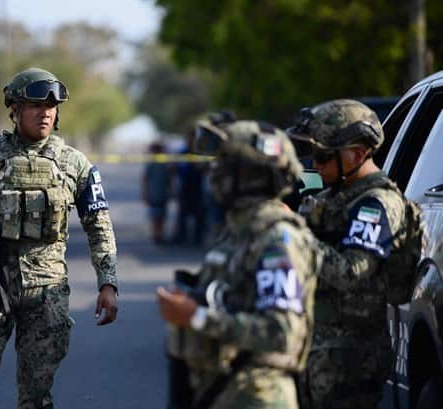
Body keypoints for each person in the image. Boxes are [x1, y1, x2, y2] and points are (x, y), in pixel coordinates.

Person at [0, 67, 119, 409]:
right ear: (14, 109)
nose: (45, 112)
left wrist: (108, 283)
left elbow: (99, 225)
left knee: (36, 398)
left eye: (51, 107)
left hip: (47, 294)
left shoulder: (75, 164)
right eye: (35, 105)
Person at [158, 120, 321, 409]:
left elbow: (281, 332)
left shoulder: (276, 239)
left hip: (260, 396)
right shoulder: (239, 231)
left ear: (250, 176)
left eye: (225, 165)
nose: (215, 174)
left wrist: (196, 317)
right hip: (224, 390)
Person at [287, 99, 425, 409]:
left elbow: (351, 271)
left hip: (349, 361)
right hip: (319, 352)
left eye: (322, 157)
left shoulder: (376, 204)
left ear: (357, 153)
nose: (316, 166)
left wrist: (290, 233)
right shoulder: (336, 197)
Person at [142, 141, 172, 244]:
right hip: (154, 194)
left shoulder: (164, 163)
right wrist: (145, 193)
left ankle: (160, 234)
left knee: (161, 216)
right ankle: (156, 235)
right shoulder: (152, 163)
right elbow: (145, 179)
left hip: (161, 194)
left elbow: (169, 179)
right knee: (155, 216)